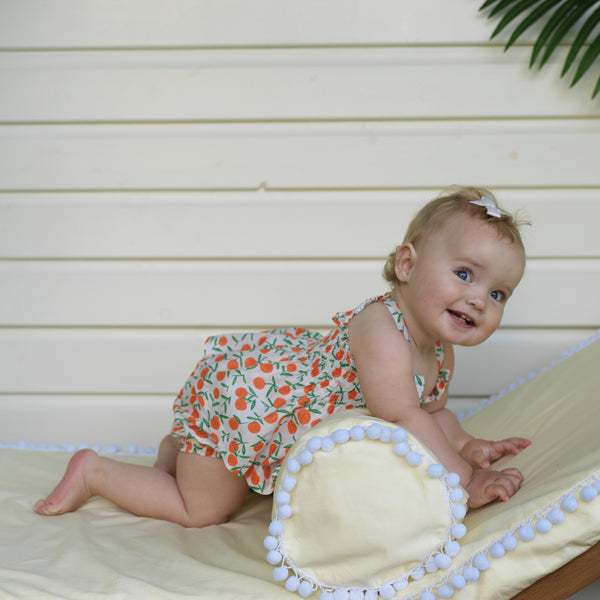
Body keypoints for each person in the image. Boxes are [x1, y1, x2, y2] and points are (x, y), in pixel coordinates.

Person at [34, 185, 531, 527]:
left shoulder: (439, 350)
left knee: (215, 481)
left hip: (267, 412)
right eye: (465, 274)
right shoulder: (381, 328)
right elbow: (402, 415)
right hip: (246, 406)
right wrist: (467, 482)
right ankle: (96, 471)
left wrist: (466, 445)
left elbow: (431, 413)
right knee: (201, 512)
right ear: (407, 265)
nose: (478, 300)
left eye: (499, 294)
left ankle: (177, 453)